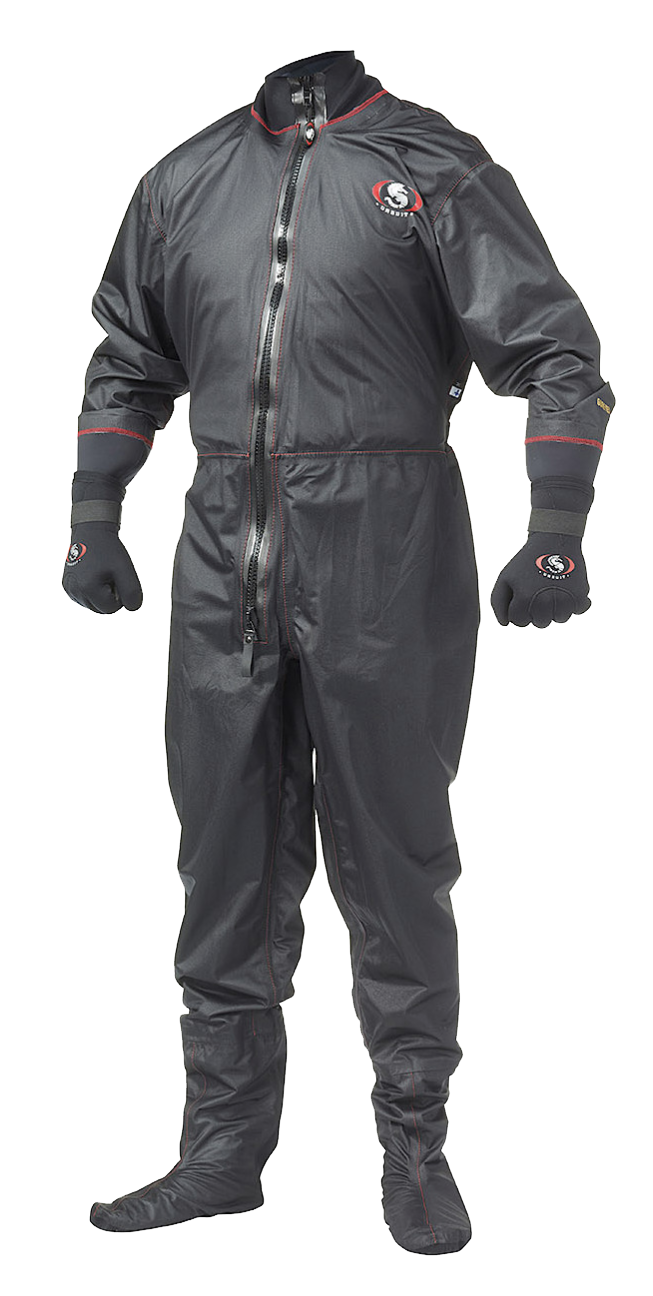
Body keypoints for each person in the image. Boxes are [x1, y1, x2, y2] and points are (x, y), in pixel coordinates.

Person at [62, 48, 615, 1253]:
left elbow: (554, 354)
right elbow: (131, 356)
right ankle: (221, 1152)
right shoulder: (186, 179)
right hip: (222, 551)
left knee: (394, 853)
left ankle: (414, 1147)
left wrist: (555, 532)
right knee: (222, 854)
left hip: (387, 545)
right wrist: (95, 512)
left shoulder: (431, 164)